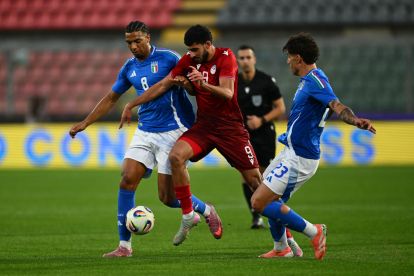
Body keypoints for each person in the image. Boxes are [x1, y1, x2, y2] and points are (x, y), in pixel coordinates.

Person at [68, 21, 222, 258]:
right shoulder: (129, 67)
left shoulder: (170, 58)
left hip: (174, 130)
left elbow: (195, 85)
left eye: (137, 40)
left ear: (148, 38)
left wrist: (188, 84)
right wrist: (85, 123)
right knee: (127, 179)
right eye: (129, 42)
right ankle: (124, 247)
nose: (133, 46)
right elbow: (111, 98)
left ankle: (205, 209)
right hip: (145, 131)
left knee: (168, 198)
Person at [119, 25, 263, 246]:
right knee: (176, 158)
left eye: (195, 50)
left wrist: (201, 83)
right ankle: (188, 215)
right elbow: (164, 84)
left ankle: (286, 238)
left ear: (208, 45)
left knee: (256, 182)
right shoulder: (188, 59)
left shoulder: (226, 57)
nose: (191, 54)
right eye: (189, 50)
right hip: (204, 126)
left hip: (230, 129)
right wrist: (132, 103)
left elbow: (227, 93)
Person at [250, 33, 376, 260]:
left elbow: (336, 105)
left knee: (259, 202)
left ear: (298, 58)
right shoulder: (309, 81)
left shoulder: (317, 81)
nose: (287, 61)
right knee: (268, 196)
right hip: (291, 150)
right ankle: (282, 248)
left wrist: (355, 120)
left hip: (300, 157)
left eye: (289, 57)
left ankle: (313, 231)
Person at [236, 45, 286, 229]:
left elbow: (280, 108)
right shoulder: (234, 82)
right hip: (242, 135)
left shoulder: (266, 81)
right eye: (241, 58)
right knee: (245, 175)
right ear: (238, 61)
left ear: (254, 59)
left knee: (264, 175)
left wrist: (261, 119)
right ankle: (256, 216)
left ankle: (271, 212)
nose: (245, 61)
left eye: (248, 57)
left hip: (264, 133)